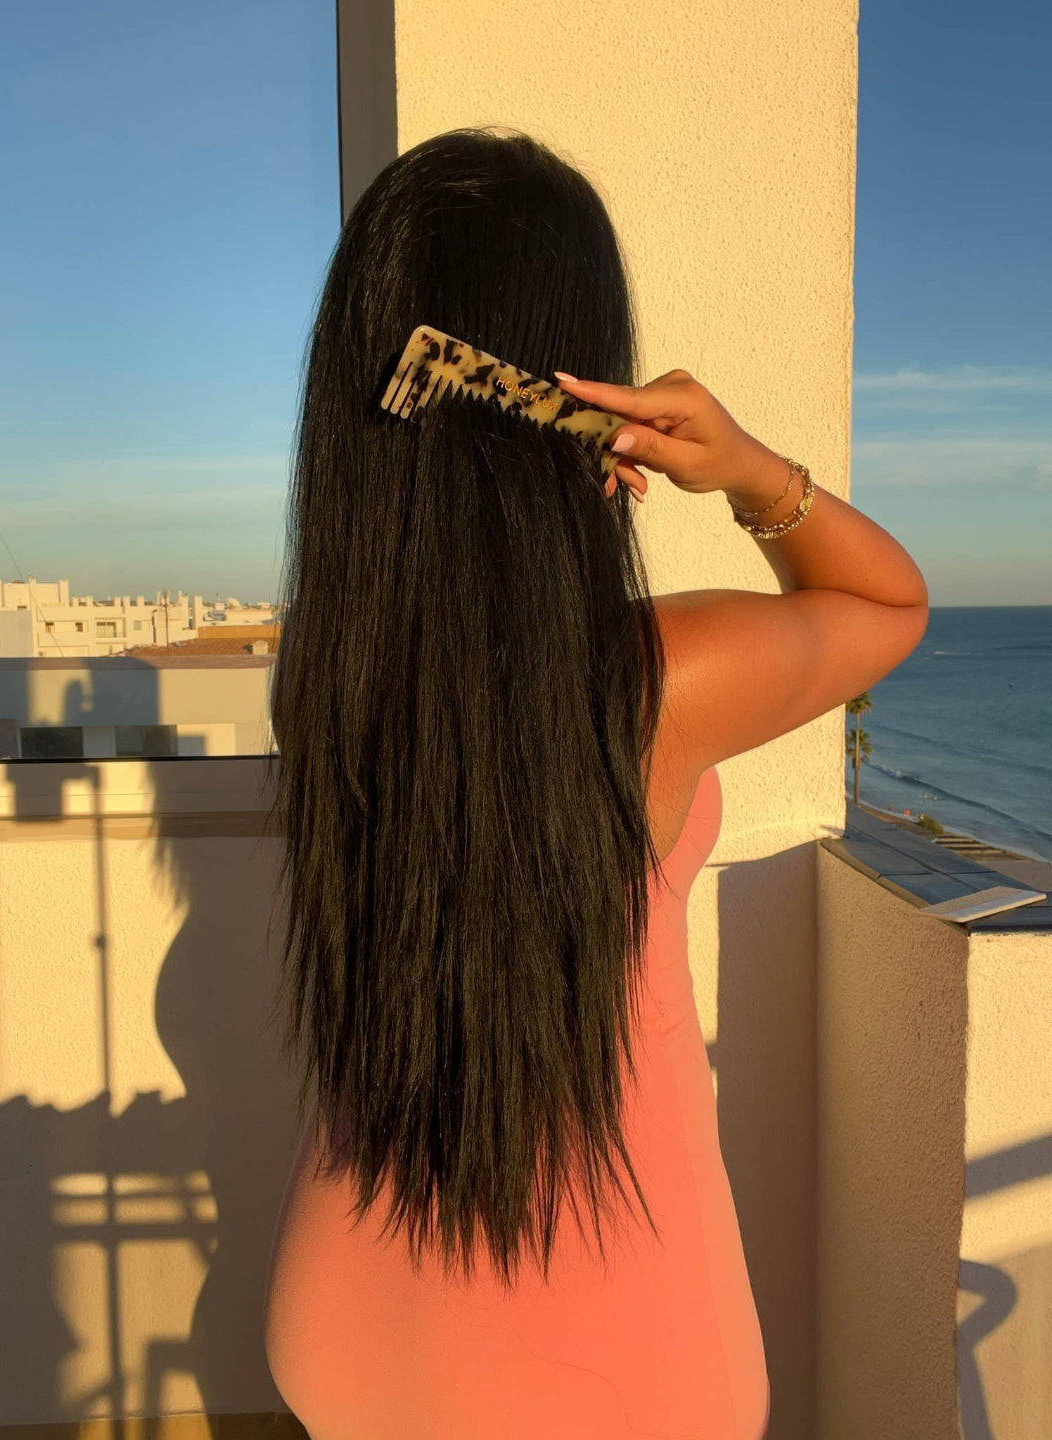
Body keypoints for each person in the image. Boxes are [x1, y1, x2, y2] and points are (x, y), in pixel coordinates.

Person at [261, 125, 928, 1439]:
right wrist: (739, 469)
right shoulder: (657, 683)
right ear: (580, 393)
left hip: (343, 1327)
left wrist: (539, 517)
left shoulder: (327, 674)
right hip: (623, 1364)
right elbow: (887, 603)